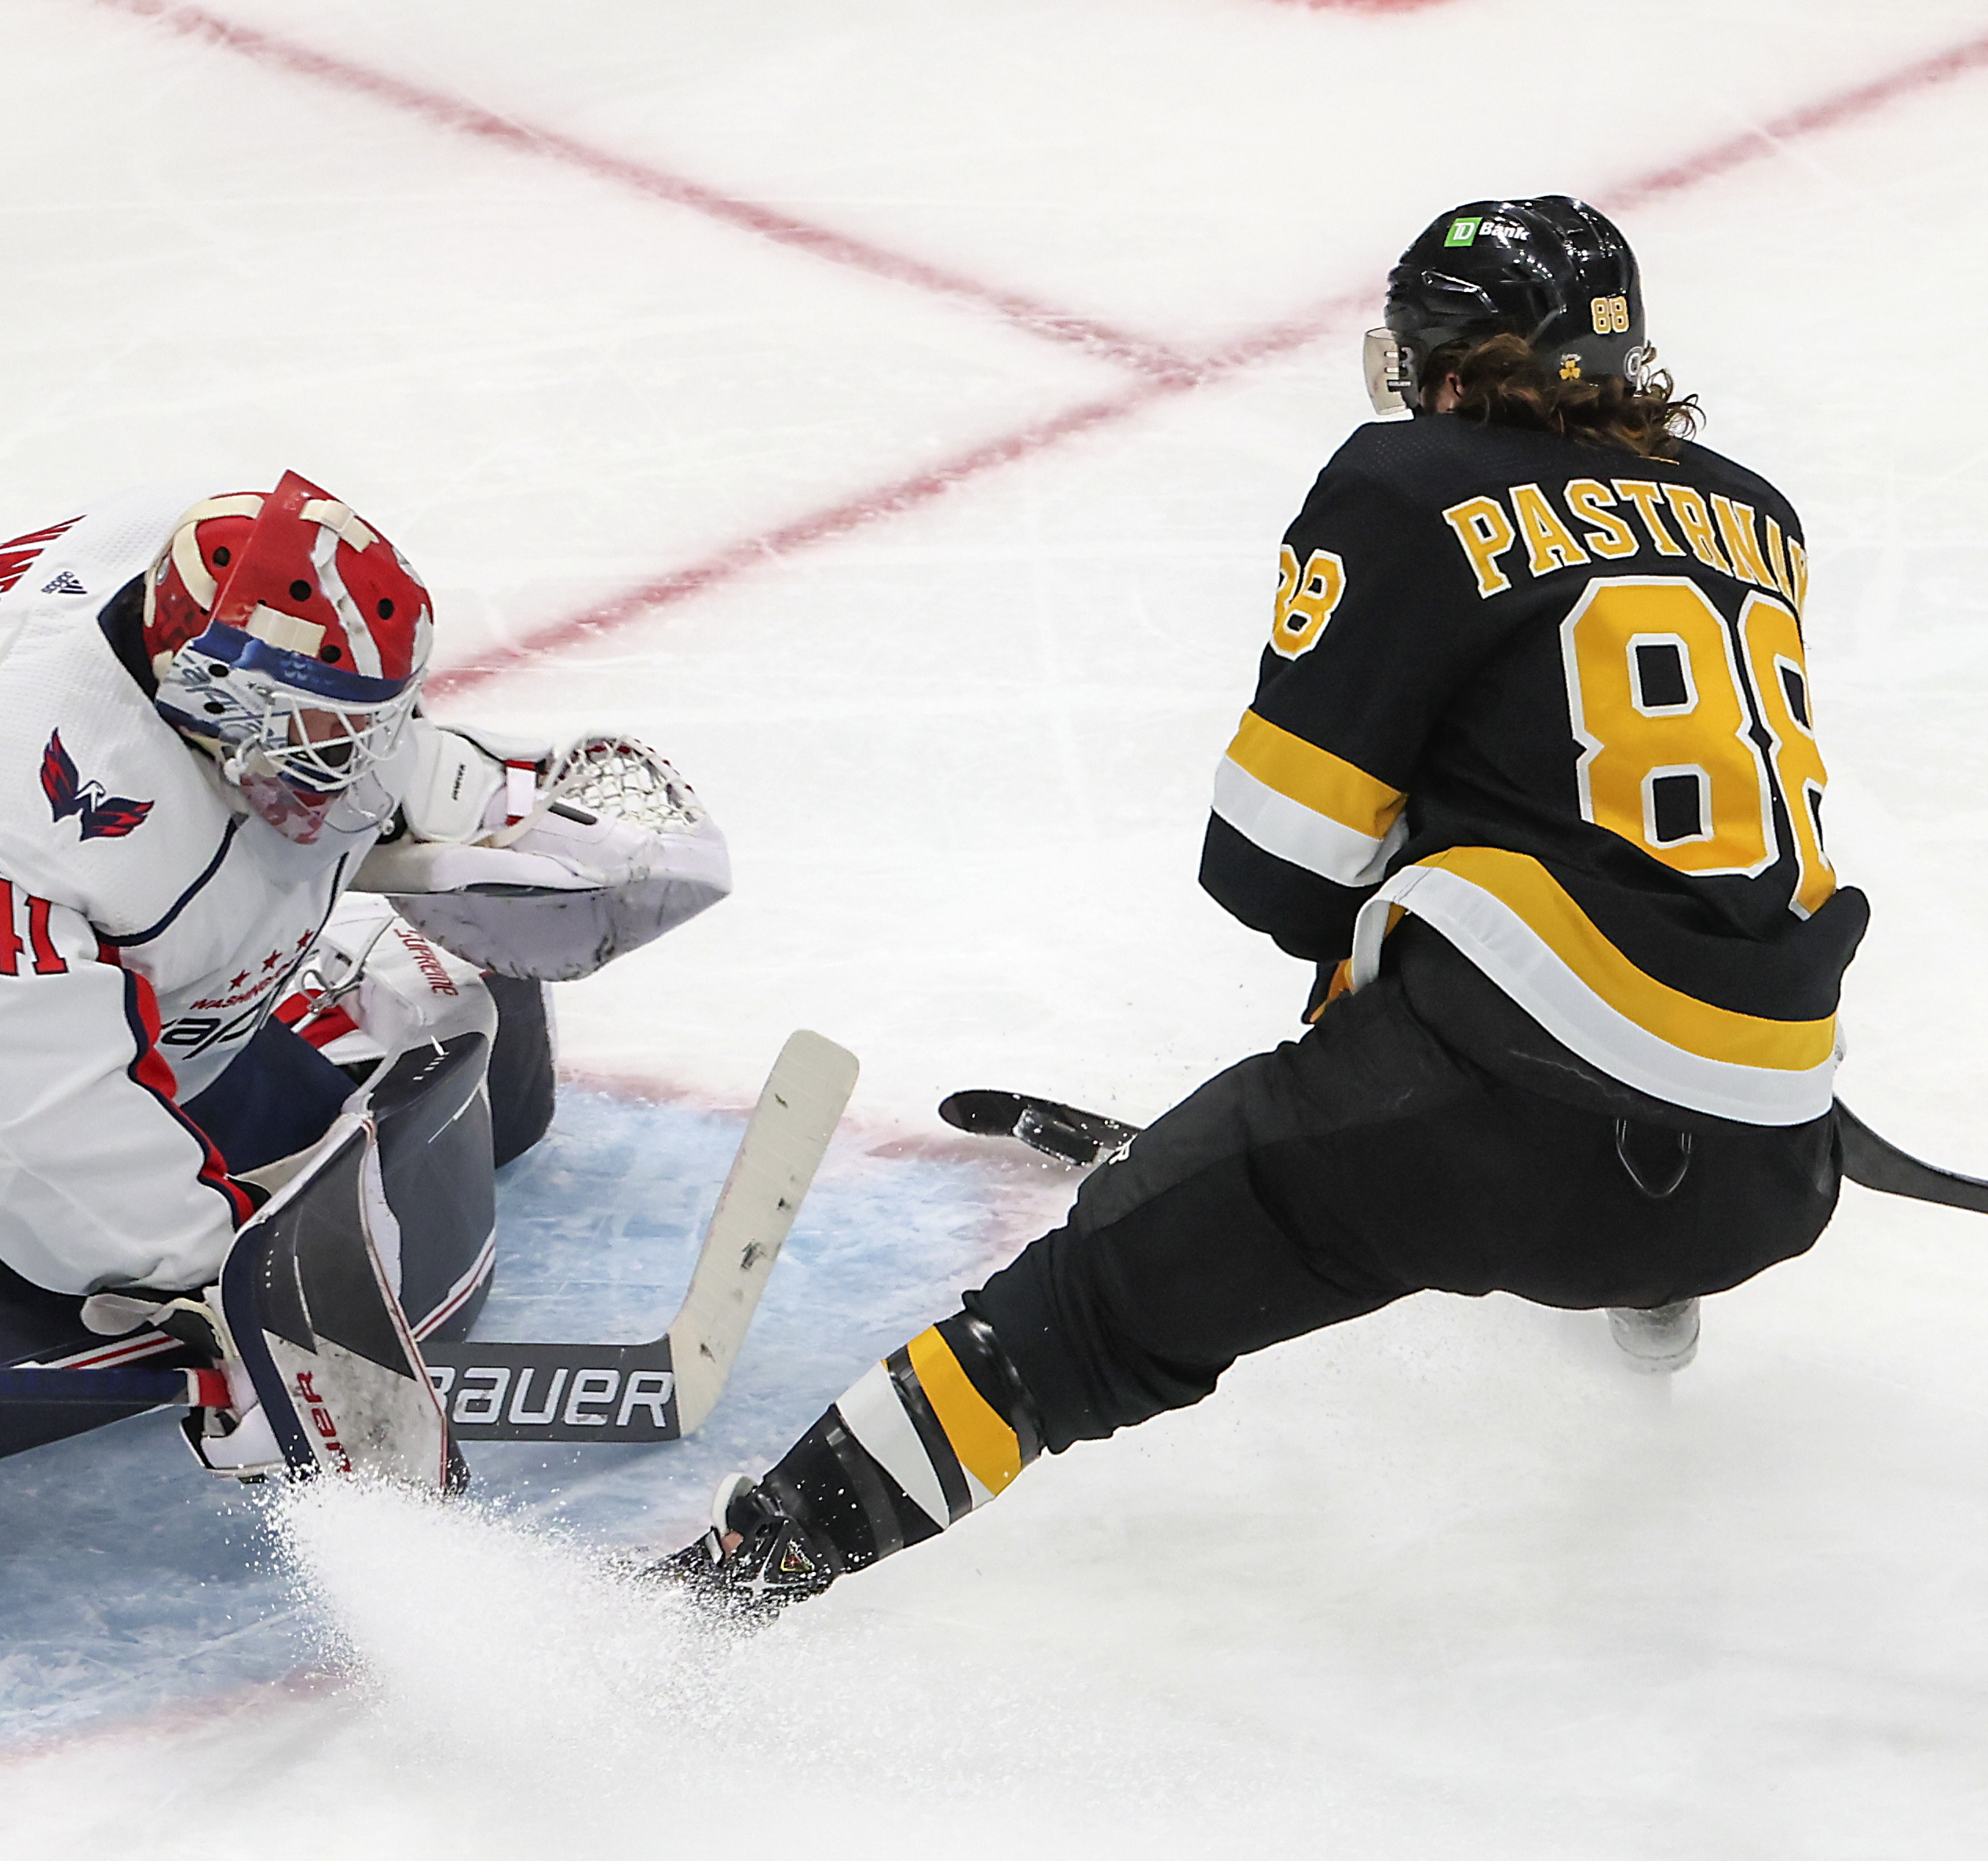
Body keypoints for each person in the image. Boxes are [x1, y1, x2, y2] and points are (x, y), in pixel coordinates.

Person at [660, 197, 1864, 1614]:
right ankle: (1642, 1294)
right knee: (1570, 921)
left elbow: (1274, 862)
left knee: (1086, 1314)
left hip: (1502, 1137)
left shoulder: (1414, 480)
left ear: (1455, 365)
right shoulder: (1752, 512)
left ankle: (692, 1612)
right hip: (1776, 1161)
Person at [0, 470, 728, 1303]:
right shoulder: (16, 803)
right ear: (205, 695)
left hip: (74, 983)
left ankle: (304, 1000)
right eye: (316, 736)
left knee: (366, 1189)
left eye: (366, 727)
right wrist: (218, 1280)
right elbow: (22, 1133)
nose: (352, 767)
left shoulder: (222, 623)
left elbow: (349, 726)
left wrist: (519, 824)